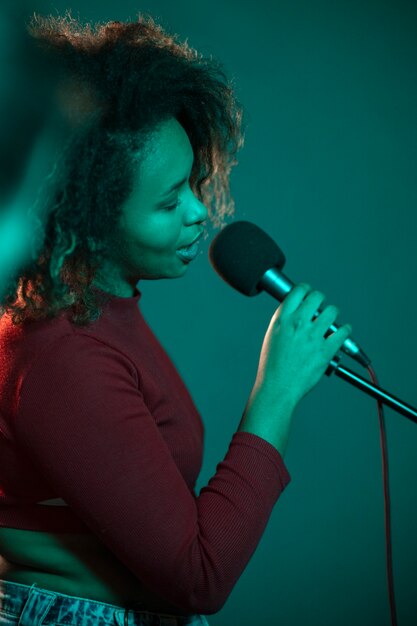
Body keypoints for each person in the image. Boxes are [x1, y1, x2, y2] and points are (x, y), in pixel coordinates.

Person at [0, 11, 353, 626]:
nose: (198, 213)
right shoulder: (62, 348)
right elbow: (199, 575)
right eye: (168, 201)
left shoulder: (101, 310)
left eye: (193, 183)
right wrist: (278, 389)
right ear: (89, 216)